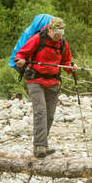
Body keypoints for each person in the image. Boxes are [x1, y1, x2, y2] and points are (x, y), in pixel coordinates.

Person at [15, 17, 78, 158]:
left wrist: (71, 67)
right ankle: (39, 146)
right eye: (56, 34)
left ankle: (42, 144)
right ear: (49, 30)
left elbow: (66, 61)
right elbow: (21, 53)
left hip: (53, 82)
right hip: (35, 80)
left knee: (49, 115)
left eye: (60, 34)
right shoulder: (38, 39)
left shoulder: (62, 42)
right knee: (40, 112)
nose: (58, 37)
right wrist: (20, 60)